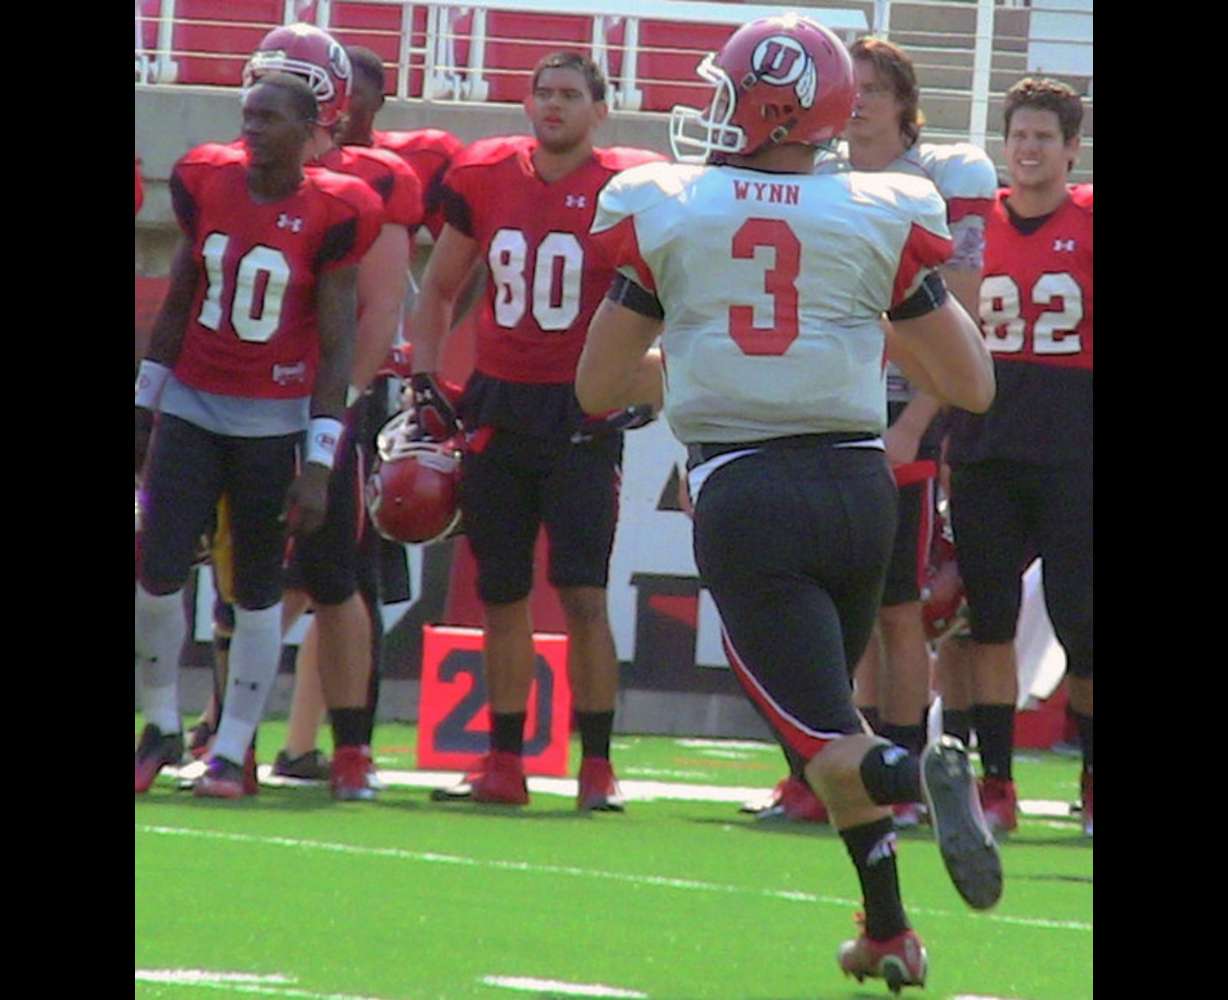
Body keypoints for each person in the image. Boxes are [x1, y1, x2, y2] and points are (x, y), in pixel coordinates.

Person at [574, 14, 1001, 989]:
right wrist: (849, 316)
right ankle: (887, 930)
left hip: (749, 495)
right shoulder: (876, 210)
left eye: (729, 94)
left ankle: (917, 772)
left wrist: (694, 352)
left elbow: (597, 387)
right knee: (827, 730)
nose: (715, 110)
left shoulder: (673, 208)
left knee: (828, 745)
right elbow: (972, 385)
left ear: (771, 109)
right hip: (859, 490)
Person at [749, 36, 998, 828]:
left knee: (895, 609)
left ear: (904, 102)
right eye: (846, 87)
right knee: (830, 612)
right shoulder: (817, 179)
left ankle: (905, 773)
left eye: (874, 89)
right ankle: (834, 764)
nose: (856, 101)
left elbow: (956, 322)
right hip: (822, 404)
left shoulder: (938, 182)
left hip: (896, 410)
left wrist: (916, 423)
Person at [410, 51, 663, 810]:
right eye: (542, 92)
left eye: (569, 95)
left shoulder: (628, 188)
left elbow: (671, 300)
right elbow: (441, 286)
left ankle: (597, 765)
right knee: (502, 592)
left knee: (583, 594)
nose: (553, 105)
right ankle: (503, 761)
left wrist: (645, 379)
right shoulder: (487, 175)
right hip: (498, 406)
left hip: (581, 410)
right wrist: (425, 374)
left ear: (600, 110)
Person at [134, 71, 382, 799]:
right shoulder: (207, 181)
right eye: (248, 115)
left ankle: (233, 747)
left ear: (307, 130)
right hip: (193, 405)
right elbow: (179, 298)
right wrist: (144, 403)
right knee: (156, 571)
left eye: (269, 118)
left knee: (259, 589)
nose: (252, 129)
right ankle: (160, 723)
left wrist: (320, 460)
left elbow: (336, 348)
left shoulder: (336, 209)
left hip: (273, 421)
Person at [195, 23, 424, 800]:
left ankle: (350, 748)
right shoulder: (228, 173)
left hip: (321, 404)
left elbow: (380, 309)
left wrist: (337, 411)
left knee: (333, 576)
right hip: (240, 401)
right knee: (239, 576)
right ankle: (229, 740)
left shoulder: (374, 180)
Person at [263, 44, 470, 778]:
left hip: (353, 392)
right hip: (266, 389)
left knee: (339, 576)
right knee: (280, 574)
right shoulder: (252, 166)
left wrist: (405, 365)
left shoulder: (394, 172)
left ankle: (314, 742)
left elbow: (451, 260)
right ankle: (233, 733)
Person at [943, 77, 1092, 836]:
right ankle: (996, 782)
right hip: (986, 444)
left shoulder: (1087, 220)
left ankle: (1090, 777)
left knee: (1082, 624)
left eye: (1044, 137)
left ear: (1072, 149)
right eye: (1019, 135)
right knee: (990, 621)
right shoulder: (974, 228)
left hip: (1073, 447)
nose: (1028, 149)